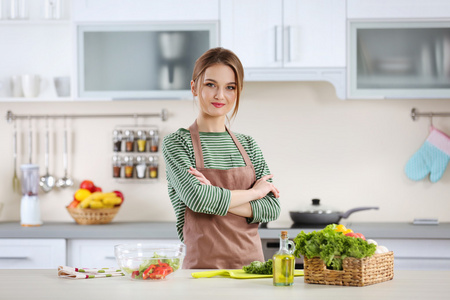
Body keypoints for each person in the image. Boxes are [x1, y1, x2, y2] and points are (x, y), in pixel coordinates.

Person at [162, 47, 281, 269]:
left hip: (251, 272)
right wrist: (254, 193)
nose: (220, 96)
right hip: (200, 275)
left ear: (238, 92)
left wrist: (213, 196)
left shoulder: (248, 145)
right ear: (194, 87)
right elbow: (198, 200)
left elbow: (272, 209)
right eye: (210, 85)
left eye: (230, 87)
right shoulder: (177, 143)